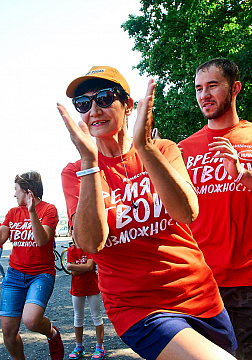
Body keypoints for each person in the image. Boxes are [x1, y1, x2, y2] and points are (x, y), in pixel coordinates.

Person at [58, 66, 237, 360]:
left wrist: (145, 148)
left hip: (201, 295)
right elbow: (91, 243)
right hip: (139, 309)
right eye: (83, 103)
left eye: (103, 98)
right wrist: (89, 162)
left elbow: (187, 213)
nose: (94, 110)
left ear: (128, 105)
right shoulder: (75, 172)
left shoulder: (164, 149)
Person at [179, 58, 252, 360]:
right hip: (199, 281)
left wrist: (243, 174)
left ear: (235, 88)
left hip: (247, 284)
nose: (204, 95)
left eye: (212, 86)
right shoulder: (182, 149)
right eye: (198, 88)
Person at [0, 171, 64, 360]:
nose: (14, 194)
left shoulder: (49, 209)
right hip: (15, 275)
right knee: (8, 332)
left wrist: (32, 211)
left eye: (16, 190)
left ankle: (52, 333)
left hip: (41, 274)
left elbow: (42, 240)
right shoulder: (12, 212)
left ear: (28, 192)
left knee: (31, 321)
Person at [67, 230, 105, 359]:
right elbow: (71, 269)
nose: (76, 234)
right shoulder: (71, 250)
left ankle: (100, 347)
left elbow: (88, 267)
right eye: (73, 231)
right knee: (78, 317)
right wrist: (76, 268)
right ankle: (79, 346)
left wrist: (73, 267)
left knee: (97, 317)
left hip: (92, 288)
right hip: (77, 289)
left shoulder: (89, 249)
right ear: (71, 234)